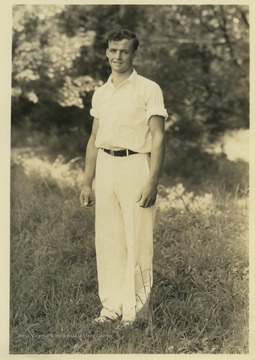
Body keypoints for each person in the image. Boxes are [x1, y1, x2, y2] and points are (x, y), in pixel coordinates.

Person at [80, 28, 168, 327]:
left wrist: (152, 181)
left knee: (137, 238)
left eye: (124, 51)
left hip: (135, 167)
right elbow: (94, 138)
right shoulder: (101, 92)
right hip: (106, 166)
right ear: (107, 52)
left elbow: (158, 138)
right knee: (108, 240)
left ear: (134, 54)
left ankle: (135, 310)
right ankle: (112, 307)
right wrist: (86, 180)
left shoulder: (148, 88)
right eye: (113, 50)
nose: (118, 56)